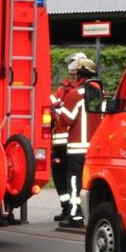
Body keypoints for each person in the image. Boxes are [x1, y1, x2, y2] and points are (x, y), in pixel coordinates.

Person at [55, 58, 101, 228]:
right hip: (95, 147)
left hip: (76, 149)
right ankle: (90, 214)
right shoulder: (99, 92)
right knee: (91, 183)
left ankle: (75, 217)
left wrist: (57, 112)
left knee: (75, 182)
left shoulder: (75, 95)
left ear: (80, 74)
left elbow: (67, 119)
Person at [50, 52, 87, 222]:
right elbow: (51, 102)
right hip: (61, 141)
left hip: (72, 142)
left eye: (75, 73)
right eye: (71, 73)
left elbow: (66, 116)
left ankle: (74, 211)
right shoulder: (63, 88)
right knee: (60, 176)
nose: (72, 76)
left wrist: (58, 110)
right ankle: (66, 208)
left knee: (72, 178)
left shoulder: (81, 91)